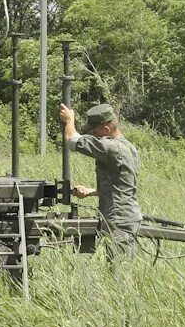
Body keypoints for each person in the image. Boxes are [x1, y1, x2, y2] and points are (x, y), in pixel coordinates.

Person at [59, 102, 141, 257]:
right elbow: (121, 185)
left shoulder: (111, 147)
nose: (93, 135)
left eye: (95, 131)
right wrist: (91, 192)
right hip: (125, 216)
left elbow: (72, 141)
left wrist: (70, 121)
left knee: (119, 271)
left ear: (106, 129)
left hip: (119, 219)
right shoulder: (129, 147)